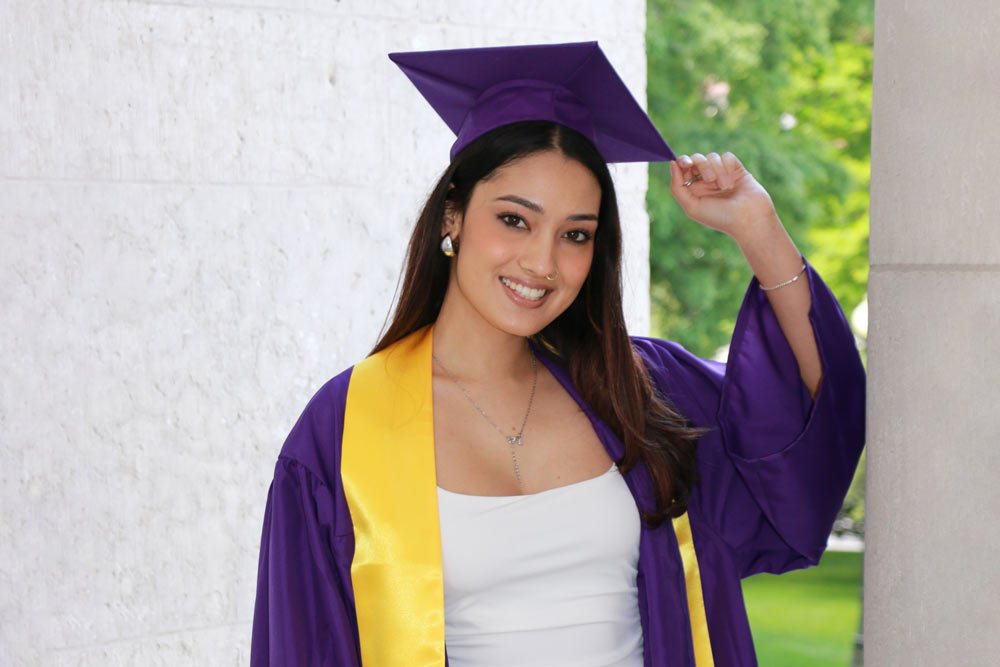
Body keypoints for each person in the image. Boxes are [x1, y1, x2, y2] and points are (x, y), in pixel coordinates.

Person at [250, 42, 865, 667]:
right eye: (515, 220)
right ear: (454, 216)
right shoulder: (347, 429)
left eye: (575, 235)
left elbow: (813, 422)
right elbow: (303, 645)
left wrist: (756, 228)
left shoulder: (637, 388)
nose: (542, 264)